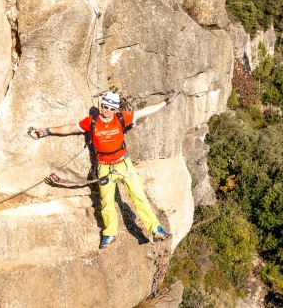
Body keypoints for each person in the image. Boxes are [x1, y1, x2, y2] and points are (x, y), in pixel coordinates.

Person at [29, 90, 178, 249]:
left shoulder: (121, 118)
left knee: (139, 196)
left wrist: (166, 102)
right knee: (107, 202)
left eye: (111, 108)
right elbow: (70, 128)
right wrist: (47, 130)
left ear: (116, 110)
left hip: (123, 164)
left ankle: (156, 230)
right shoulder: (91, 122)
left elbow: (144, 111)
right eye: (105, 106)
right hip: (105, 167)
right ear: (102, 105)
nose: (107, 110)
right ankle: (109, 234)